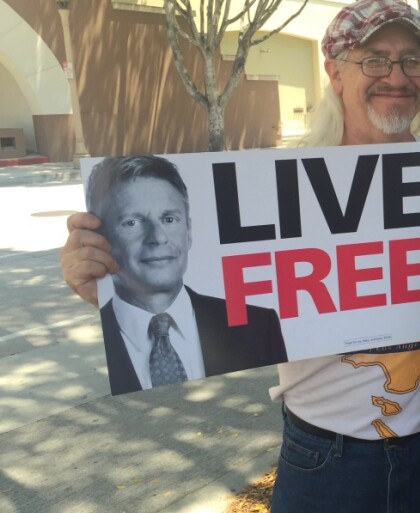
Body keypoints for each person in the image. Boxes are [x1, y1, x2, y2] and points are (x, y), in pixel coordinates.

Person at [60, 1, 420, 513]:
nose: (397, 77)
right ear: (334, 73)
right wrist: (104, 283)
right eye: (375, 60)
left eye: (411, 61)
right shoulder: (277, 181)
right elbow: (200, 296)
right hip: (325, 458)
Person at [84, 155, 287, 395]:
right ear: (100, 236)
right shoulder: (90, 340)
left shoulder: (260, 326)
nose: (158, 237)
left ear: (188, 230)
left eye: (169, 219)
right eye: (132, 222)